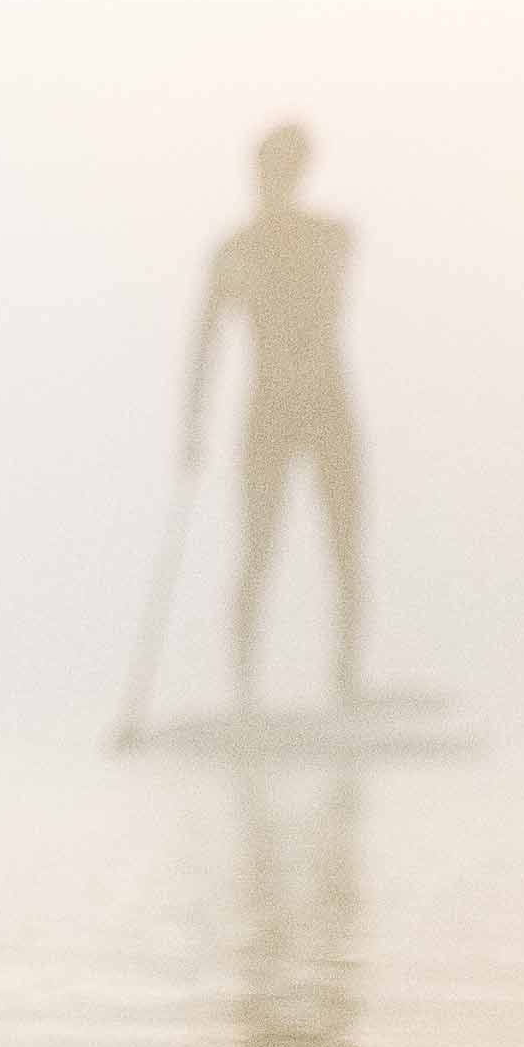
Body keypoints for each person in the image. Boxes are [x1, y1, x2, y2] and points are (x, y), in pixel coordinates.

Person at [178, 121, 365, 712]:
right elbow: (206, 342)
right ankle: (244, 694)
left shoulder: (329, 238)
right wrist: (192, 429)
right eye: (274, 169)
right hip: (271, 411)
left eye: (291, 169)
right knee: (257, 550)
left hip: (327, 405)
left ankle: (346, 684)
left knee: (345, 548)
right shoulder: (236, 252)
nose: (281, 180)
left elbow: (335, 277)